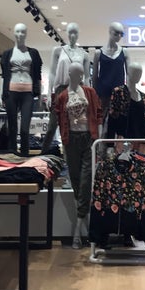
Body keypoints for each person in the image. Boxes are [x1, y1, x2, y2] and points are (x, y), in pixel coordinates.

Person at [54, 62, 102, 249]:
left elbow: (98, 114)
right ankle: (85, 226)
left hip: (88, 139)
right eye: (77, 74)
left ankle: (78, 229)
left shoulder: (89, 92)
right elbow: (59, 119)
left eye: (82, 74)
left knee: (85, 181)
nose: (80, 77)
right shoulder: (62, 96)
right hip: (71, 141)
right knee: (75, 180)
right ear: (69, 74)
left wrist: (99, 139)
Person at [42, 22, 90, 153]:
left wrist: (88, 95)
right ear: (66, 33)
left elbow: (86, 77)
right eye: (70, 32)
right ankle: (43, 153)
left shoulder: (83, 54)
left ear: (78, 34)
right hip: (61, 89)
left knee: (73, 125)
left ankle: (71, 156)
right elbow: (52, 73)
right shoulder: (58, 50)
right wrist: (49, 92)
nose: (72, 35)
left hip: (77, 90)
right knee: (53, 124)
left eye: (75, 32)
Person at [0, 23, 43, 156]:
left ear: (26, 34)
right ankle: (12, 154)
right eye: (18, 32)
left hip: (28, 93)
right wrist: (1, 93)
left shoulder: (33, 53)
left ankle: (25, 155)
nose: (20, 35)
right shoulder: (7, 54)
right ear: (14, 33)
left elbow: (38, 75)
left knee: (25, 128)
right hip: (11, 91)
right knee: (12, 127)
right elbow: (4, 76)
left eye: (23, 32)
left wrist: (40, 95)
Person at [107, 62, 145, 143]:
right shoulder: (119, 92)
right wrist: (110, 143)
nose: (138, 75)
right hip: (124, 139)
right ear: (128, 73)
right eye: (135, 72)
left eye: (139, 73)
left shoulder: (144, 97)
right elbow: (112, 117)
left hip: (142, 139)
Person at [92, 21, 130, 115]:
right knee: (101, 118)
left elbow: (129, 74)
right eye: (116, 33)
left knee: (119, 119)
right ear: (109, 32)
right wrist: (94, 94)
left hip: (119, 93)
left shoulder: (124, 52)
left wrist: (129, 92)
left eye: (122, 34)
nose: (119, 36)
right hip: (102, 93)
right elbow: (94, 76)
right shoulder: (98, 53)